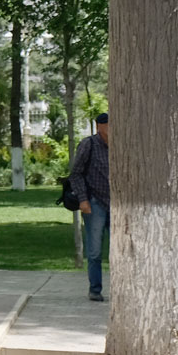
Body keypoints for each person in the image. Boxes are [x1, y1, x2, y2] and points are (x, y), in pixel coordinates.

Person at [70, 112, 111, 301]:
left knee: (119, 250)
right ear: (99, 126)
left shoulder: (122, 144)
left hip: (118, 204)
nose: (111, 129)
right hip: (95, 203)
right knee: (95, 250)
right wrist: (83, 200)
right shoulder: (89, 144)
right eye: (107, 125)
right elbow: (76, 173)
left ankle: (120, 289)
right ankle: (95, 289)